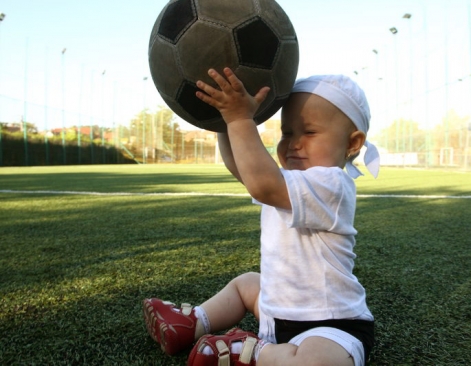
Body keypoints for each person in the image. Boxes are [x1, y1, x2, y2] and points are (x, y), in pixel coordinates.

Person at [142, 68, 380, 366]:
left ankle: (253, 351)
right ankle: (192, 323)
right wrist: (221, 120)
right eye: (287, 133)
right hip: (274, 311)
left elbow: (262, 184)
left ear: (352, 144)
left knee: (317, 362)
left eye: (309, 132)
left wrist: (240, 120)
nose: (294, 143)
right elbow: (243, 169)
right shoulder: (287, 181)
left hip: (331, 324)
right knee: (246, 284)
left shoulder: (333, 184)